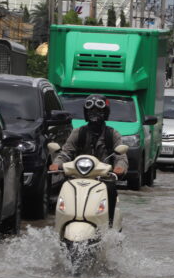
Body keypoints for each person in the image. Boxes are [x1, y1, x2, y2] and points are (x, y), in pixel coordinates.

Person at [49, 94, 127, 225]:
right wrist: (57, 164)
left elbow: (121, 155)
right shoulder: (78, 132)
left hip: (103, 178)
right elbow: (66, 152)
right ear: (86, 112)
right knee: (61, 188)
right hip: (77, 177)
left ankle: (109, 225)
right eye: (91, 110)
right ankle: (60, 224)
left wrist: (120, 167)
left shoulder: (112, 134)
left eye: (98, 111)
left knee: (111, 189)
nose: (94, 113)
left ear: (105, 112)